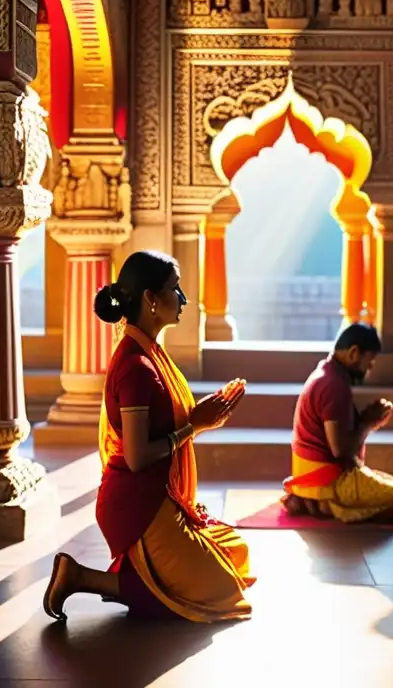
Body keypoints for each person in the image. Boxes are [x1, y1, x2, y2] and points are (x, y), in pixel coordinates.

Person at [43, 250, 255, 623]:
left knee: (236, 556)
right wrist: (196, 426)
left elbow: (162, 426)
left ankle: (146, 575)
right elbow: (139, 458)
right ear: (151, 300)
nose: (184, 299)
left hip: (159, 497)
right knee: (221, 594)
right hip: (138, 504)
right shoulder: (137, 367)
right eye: (176, 289)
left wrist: (201, 414)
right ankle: (80, 577)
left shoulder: (150, 353)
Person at [280, 323, 393, 523]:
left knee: (389, 482)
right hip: (328, 481)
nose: (370, 368)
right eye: (370, 361)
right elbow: (340, 450)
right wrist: (367, 423)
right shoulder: (333, 385)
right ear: (354, 353)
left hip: (312, 476)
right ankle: (325, 504)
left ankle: (308, 498)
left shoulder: (327, 374)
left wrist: (364, 420)